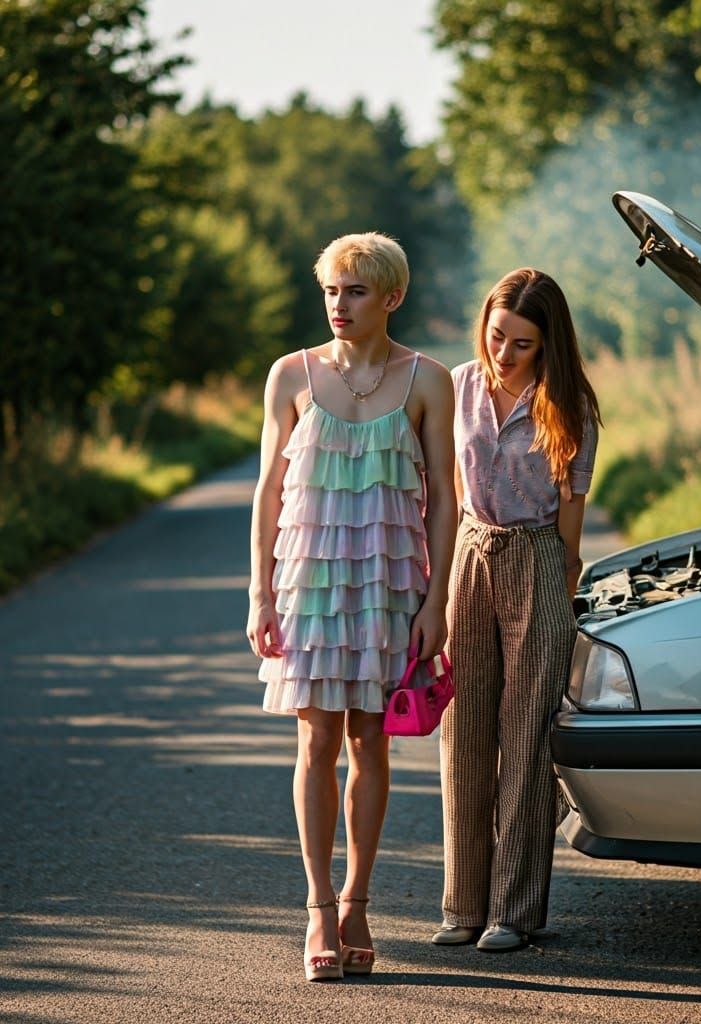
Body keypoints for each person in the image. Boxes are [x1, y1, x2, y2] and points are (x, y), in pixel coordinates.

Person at [247, 232, 457, 981]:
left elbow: (444, 501)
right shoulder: (290, 375)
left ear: (391, 297)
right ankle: (316, 910)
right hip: (309, 583)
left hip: (390, 582)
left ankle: (358, 901)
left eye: (357, 291)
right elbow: (269, 490)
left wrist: (438, 600)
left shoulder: (429, 380)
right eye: (332, 290)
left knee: (373, 741)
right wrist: (259, 591)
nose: (340, 303)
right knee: (315, 744)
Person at [432, 267, 600, 953]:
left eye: (521, 344)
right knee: (463, 736)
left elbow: (572, 522)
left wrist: (560, 595)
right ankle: (463, 905)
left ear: (547, 345)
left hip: (536, 555)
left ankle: (514, 911)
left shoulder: (571, 406)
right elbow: (439, 492)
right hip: (471, 555)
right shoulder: (455, 387)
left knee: (527, 739)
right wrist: (431, 587)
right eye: (497, 336)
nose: (503, 353)